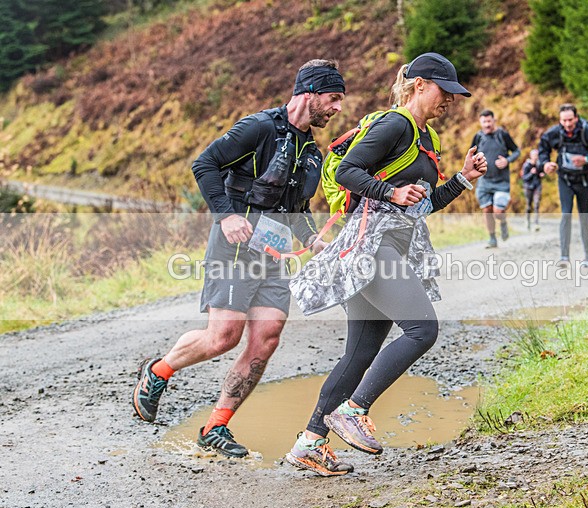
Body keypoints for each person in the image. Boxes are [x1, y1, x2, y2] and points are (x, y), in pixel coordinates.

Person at [284, 52, 487, 476]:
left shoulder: (424, 138)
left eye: (454, 94)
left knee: (359, 354)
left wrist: (463, 178)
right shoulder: (395, 124)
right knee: (422, 329)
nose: (450, 100)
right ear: (419, 86)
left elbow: (423, 206)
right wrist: (390, 194)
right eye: (444, 91)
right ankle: (354, 410)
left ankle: (309, 443)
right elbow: (348, 173)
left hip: (393, 242)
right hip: (373, 245)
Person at [131, 59, 346, 457]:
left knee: (266, 339)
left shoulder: (311, 152)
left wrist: (313, 239)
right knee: (223, 337)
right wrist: (226, 215)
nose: (337, 108)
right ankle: (158, 370)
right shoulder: (259, 127)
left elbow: (296, 208)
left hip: (273, 255)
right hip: (233, 247)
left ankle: (216, 425)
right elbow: (205, 164)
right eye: (333, 99)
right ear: (310, 92)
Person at [538, 103, 588, 269]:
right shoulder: (554, 133)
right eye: (564, 120)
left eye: (570, 120)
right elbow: (543, 148)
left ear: (576, 118)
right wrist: (545, 164)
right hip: (565, 179)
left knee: (584, 217)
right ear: (560, 120)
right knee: (566, 215)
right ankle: (564, 256)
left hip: (584, 179)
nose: (568, 124)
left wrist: (587, 159)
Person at [471, 109, 520, 248]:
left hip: (501, 182)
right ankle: (492, 238)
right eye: (484, 122)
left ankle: (503, 222)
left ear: (494, 121)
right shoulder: (478, 137)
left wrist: (507, 160)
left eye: (489, 121)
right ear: (480, 122)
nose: (487, 125)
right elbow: (471, 154)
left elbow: (517, 151)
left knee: (498, 212)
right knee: (487, 210)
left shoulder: (502, 135)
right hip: (484, 181)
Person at [520, 148, 545, 231]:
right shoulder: (526, 165)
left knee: (537, 204)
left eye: (537, 155)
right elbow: (524, 177)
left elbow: (542, 172)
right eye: (534, 155)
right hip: (528, 187)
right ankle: (527, 221)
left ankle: (536, 223)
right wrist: (531, 173)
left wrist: (541, 174)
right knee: (528, 205)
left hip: (537, 186)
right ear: (531, 156)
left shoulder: (539, 164)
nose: (535, 157)